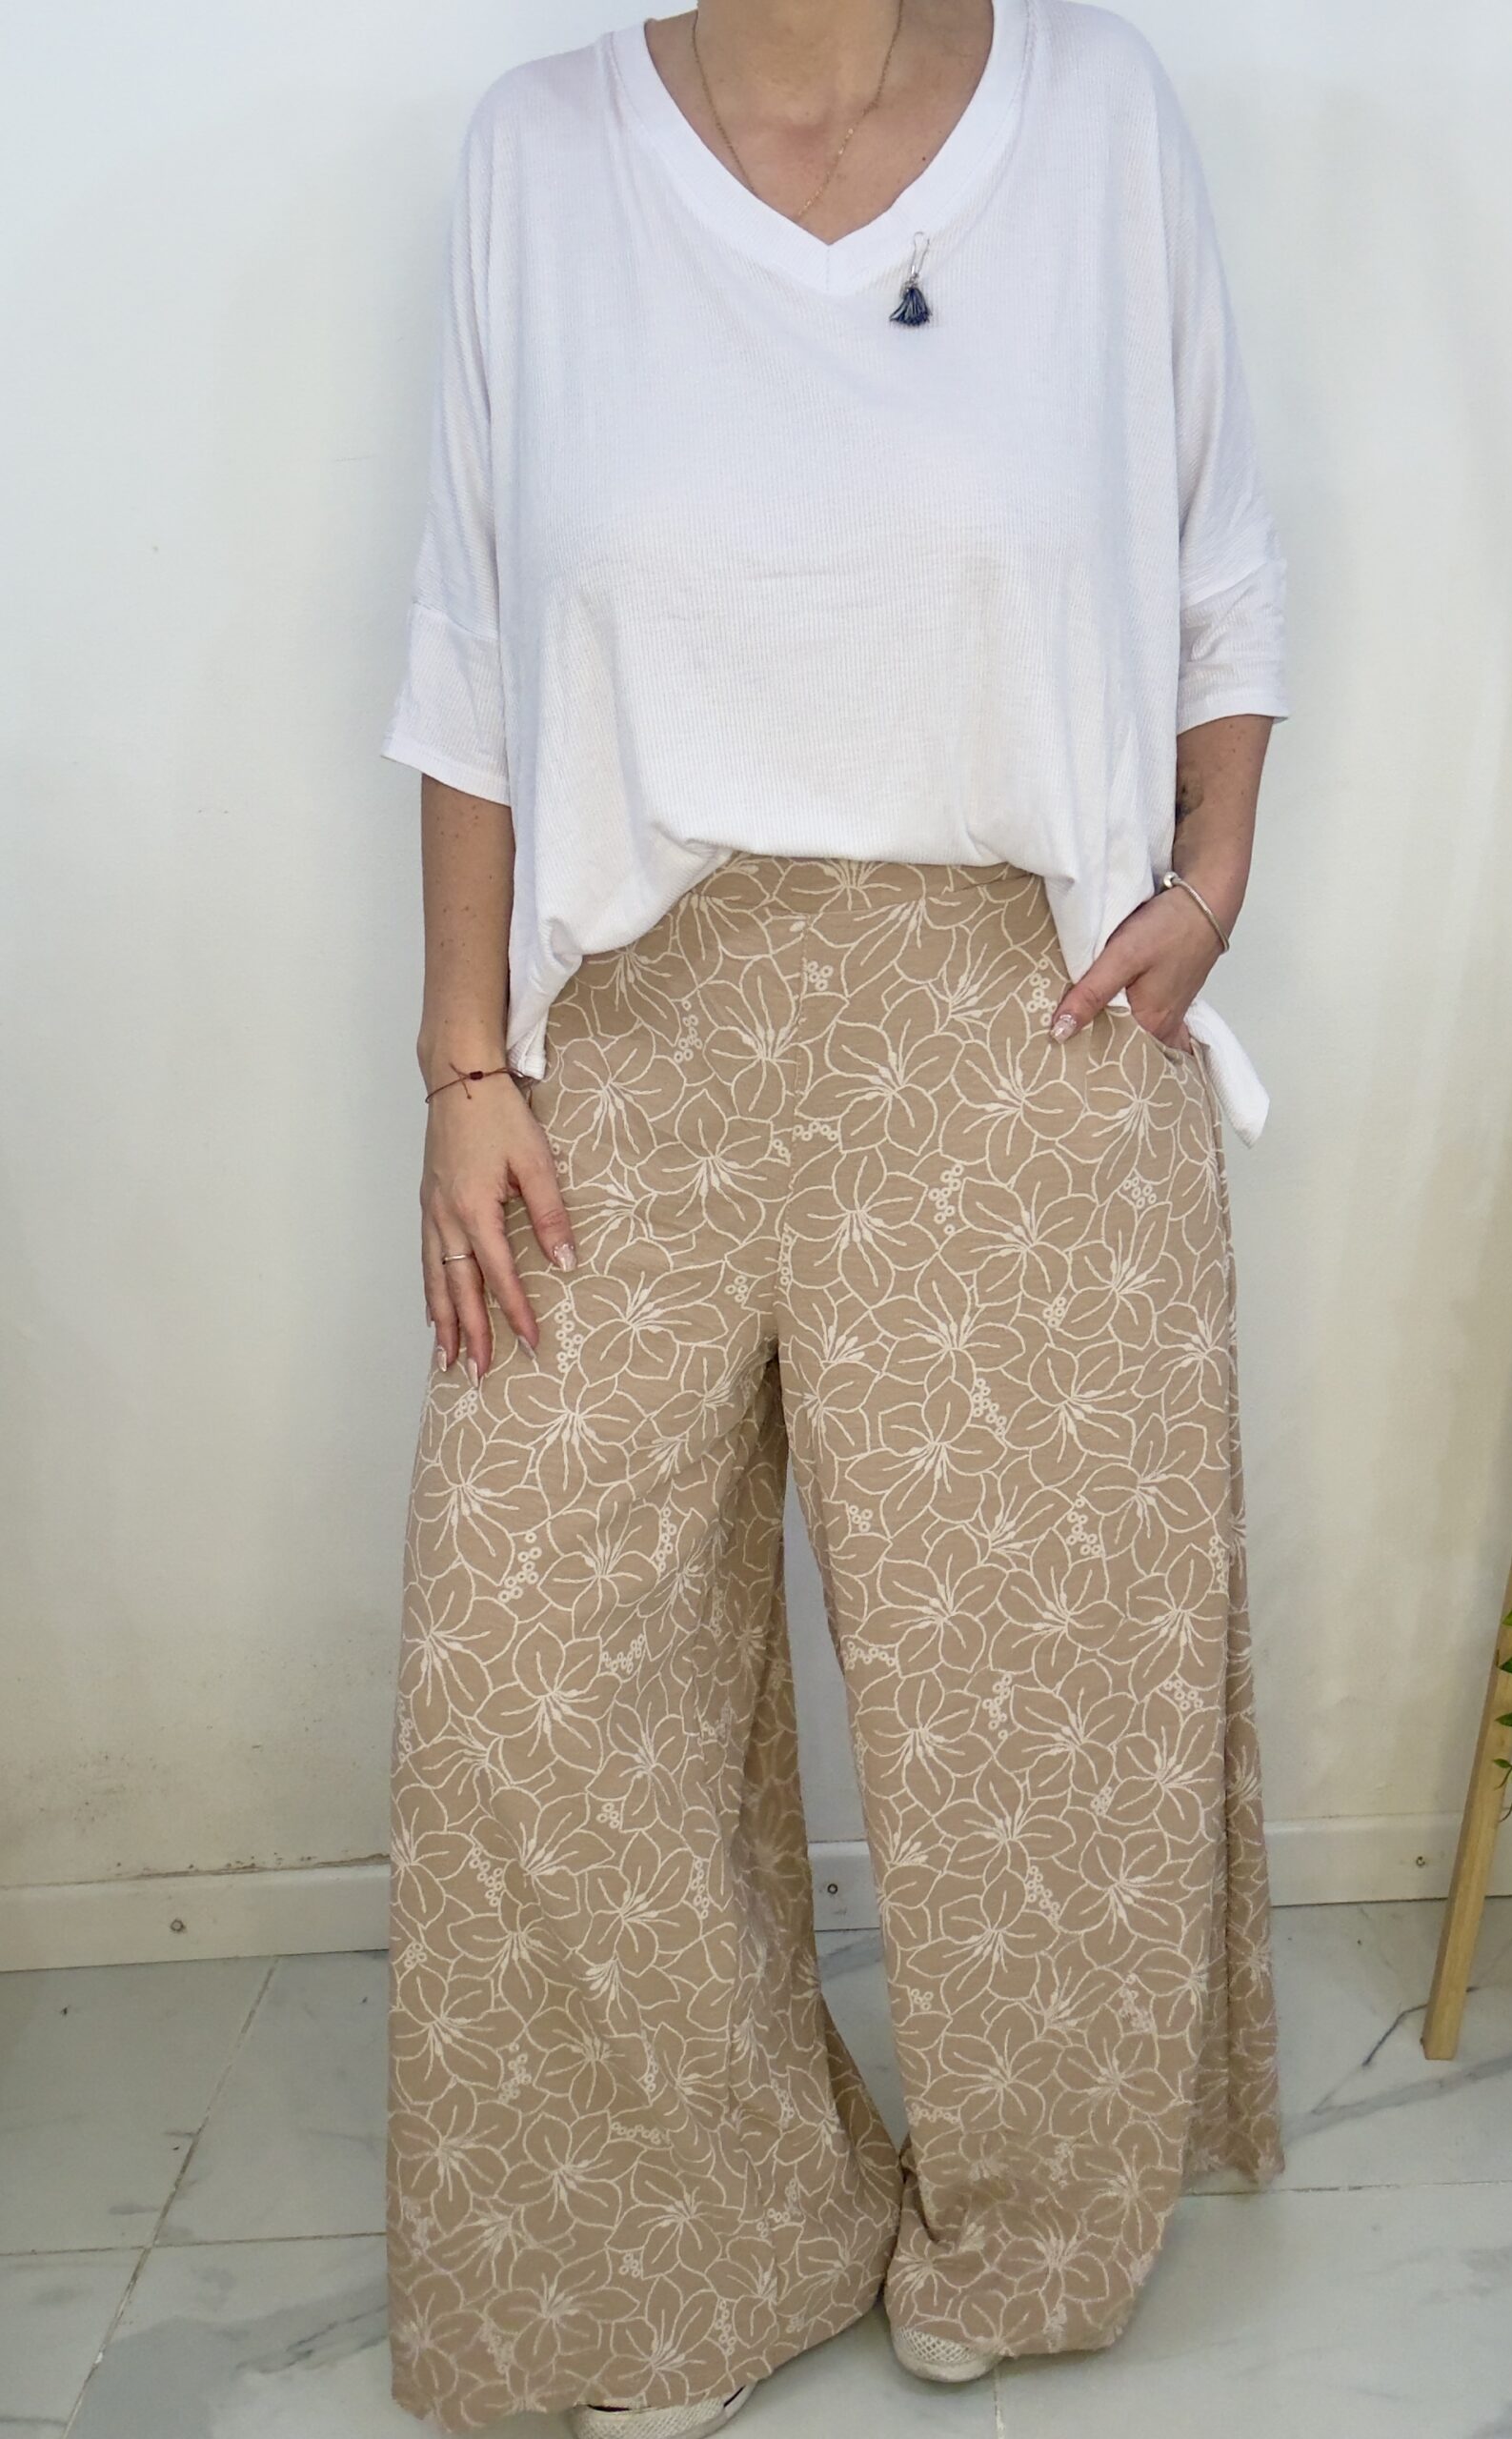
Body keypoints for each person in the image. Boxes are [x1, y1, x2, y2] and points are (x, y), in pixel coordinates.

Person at [379, 0, 1287, 2429]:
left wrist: (1213, 878)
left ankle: (1032, 2220)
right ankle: (696, 2227)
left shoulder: (1098, 120)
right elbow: (470, 644)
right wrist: (465, 1057)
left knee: (1036, 1685)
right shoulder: (541, 156)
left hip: (1021, 1008)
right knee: (542, 1657)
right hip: (635, 1017)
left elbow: (1220, 558)